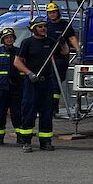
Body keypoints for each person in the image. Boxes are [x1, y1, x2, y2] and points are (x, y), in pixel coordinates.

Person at [14, 16, 58, 152]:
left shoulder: (51, 42)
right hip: (32, 82)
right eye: (40, 26)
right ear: (34, 29)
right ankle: (26, 141)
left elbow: (64, 53)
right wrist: (29, 73)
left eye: (44, 26)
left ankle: (45, 141)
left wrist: (62, 43)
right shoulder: (27, 43)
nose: (43, 28)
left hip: (47, 82)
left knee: (46, 112)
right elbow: (17, 62)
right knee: (29, 111)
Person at [0, 28, 23, 145]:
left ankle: (20, 136)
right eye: (7, 37)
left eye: (11, 37)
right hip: (0, 88)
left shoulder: (19, 52)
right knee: (0, 113)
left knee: (17, 113)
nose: (9, 39)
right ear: (3, 40)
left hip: (15, 87)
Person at [44, 2, 79, 113]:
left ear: (58, 12)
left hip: (61, 57)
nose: (52, 14)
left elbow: (72, 38)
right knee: (50, 81)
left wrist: (77, 49)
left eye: (54, 12)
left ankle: (54, 106)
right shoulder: (46, 26)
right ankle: (50, 105)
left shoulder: (65, 25)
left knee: (57, 80)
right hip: (49, 58)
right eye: (50, 13)